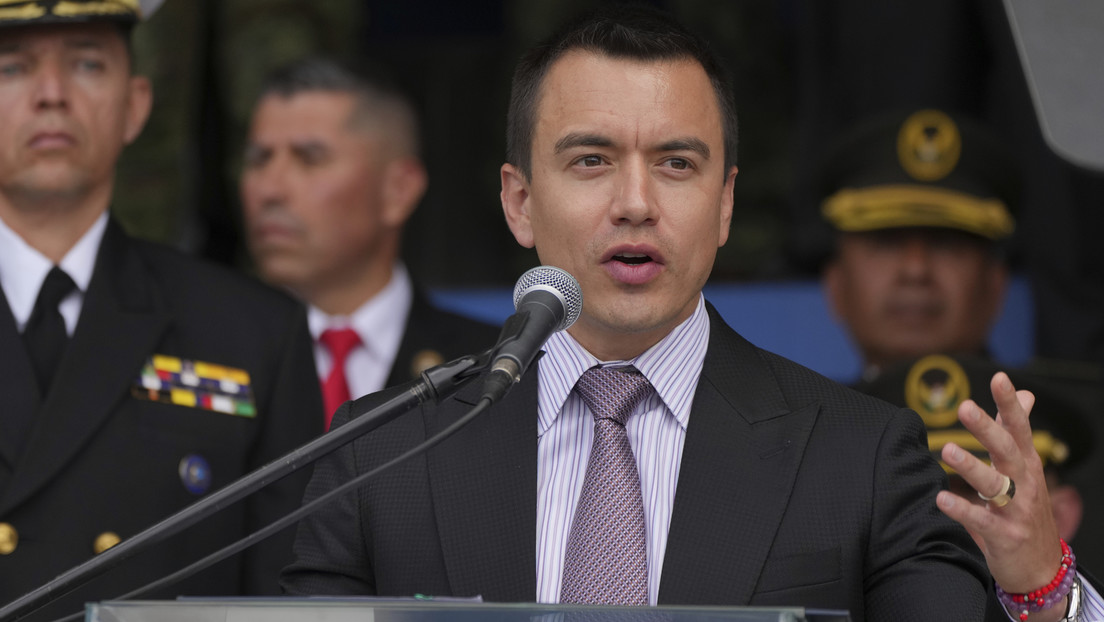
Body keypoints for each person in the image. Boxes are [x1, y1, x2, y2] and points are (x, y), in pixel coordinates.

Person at [279, 7, 1011, 619]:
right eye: (591, 161)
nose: (635, 203)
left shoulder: (863, 456)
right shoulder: (381, 456)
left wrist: (1045, 594)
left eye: (676, 164)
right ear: (520, 201)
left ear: (725, 204)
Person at [0, 2, 322, 620]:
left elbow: (287, 597)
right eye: (13, 68)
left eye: (87, 64)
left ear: (137, 104)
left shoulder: (253, 332)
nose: (51, 94)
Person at [239, 57, 499, 428]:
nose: (270, 189)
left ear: (398, 190)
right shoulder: (207, 348)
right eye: (258, 159)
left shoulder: (491, 367)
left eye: (310, 159)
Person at [819, 108, 1015, 382]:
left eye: (945, 243)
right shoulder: (803, 411)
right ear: (835, 286)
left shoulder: (1059, 410)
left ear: (996, 285)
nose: (916, 269)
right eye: (885, 242)